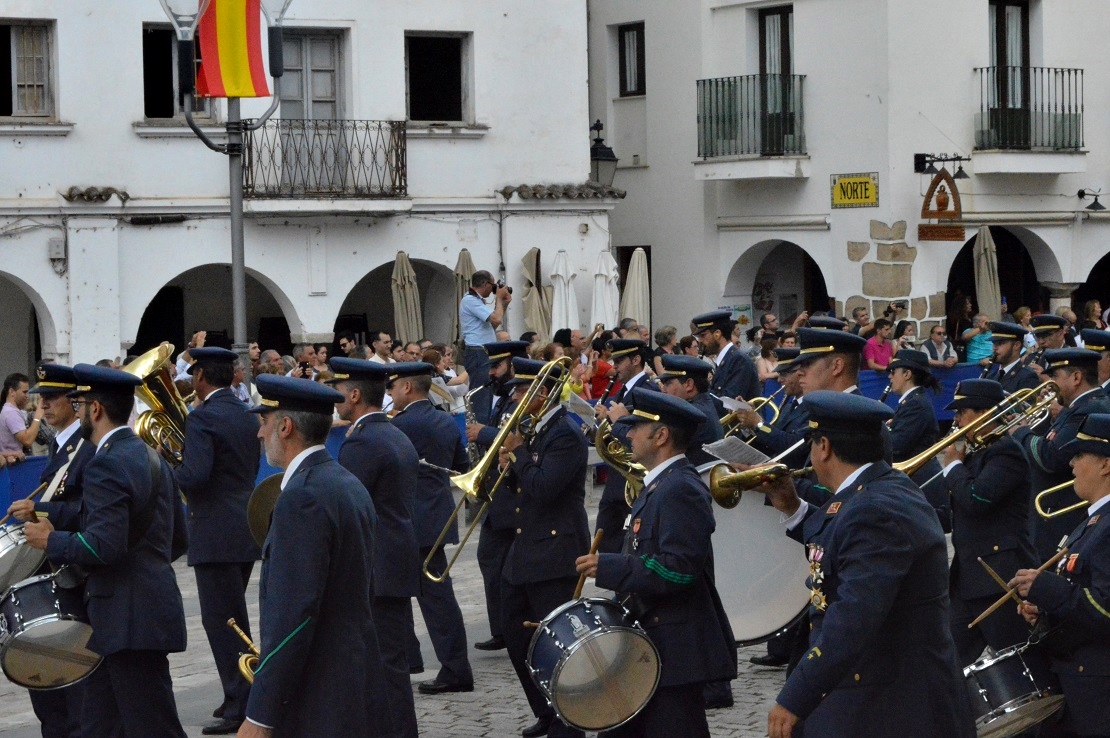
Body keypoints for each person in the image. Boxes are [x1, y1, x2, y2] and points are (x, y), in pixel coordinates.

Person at [756, 391, 973, 737]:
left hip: (888, 705)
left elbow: (852, 618)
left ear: (823, 446)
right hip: (882, 693)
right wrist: (792, 506)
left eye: (812, 443)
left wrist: (795, 697)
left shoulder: (875, 509)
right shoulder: (879, 491)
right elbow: (841, 545)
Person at [22, 364, 188, 738]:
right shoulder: (151, 455)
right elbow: (180, 539)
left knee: (153, 726)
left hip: (127, 616)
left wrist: (51, 541)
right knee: (98, 724)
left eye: (80, 404)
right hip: (138, 611)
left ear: (95, 409)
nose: (77, 412)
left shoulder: (106, 463)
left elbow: (103, 546)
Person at [575, 390, 737, 738]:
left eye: (637, 427)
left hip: (675, 650)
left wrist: (612, 567)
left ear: (661, 436)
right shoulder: (660, 485)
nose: (628, 434)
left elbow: (678, 570)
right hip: (652, 645)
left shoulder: (680, 488)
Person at [239, 374, 394, 738]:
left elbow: (294, 614)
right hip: (352, 676)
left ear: (286, 426)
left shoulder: (301, 497)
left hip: (318, 690)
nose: (260, 434)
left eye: (264, 422)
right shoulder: (343, 481)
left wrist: (260, 715)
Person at [493, 358, 590, 738]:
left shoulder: (564, 433)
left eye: (522, 390)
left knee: (556, 644)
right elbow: (521, 488)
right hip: (524, 547)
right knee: (516, 637)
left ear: (542, 393)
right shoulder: (533, 430)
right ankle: (546, 710)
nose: (515, 397)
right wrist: (506, 465)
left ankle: (569, 720)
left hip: (554, 550)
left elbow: (546, 487)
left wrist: (517, 456)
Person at [328, 358, 422, 738]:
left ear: (354, 394)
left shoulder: (363, 441)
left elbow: (351, 510)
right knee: (391, 665)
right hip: (396, 560)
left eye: (338, 392)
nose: (335, 400)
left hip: (376, 566)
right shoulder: (394, 433)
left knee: (381, 669)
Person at [173, 347, 262, 735]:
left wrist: (164, 464)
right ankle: (237, 695)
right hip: (243, 522)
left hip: (214, 528)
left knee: (221, 621)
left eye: (193, 375)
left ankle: (241, 703)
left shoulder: (203, 418)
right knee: (232, 617)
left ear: (202, 377)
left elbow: (194, 476)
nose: (192, 382)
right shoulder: (244, 412)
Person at [1010, 412, 1110, 737]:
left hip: (1097, 687)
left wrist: (1047, 589)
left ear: (1105, 464)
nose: (1071, 464)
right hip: (1074, 678)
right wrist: (1043, 609)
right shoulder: (1091, 522)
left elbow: (1105, 609)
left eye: (1080, 455)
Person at [9, 365, 95, 738]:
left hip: (73, 572)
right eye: (41, 397)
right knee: (46, 690)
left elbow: (88, 511)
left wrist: (39, 510)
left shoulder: (87, 449)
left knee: (71, 690)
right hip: (52, 569)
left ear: (77, 403)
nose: (42, 404)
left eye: (52, 397)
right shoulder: (62, 445)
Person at [388, 362, 475, 694]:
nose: (391, 394)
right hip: (437, 516)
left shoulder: (399, 426)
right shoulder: (443, 419)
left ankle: (446, 669)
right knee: (439, 598)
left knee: (394, 595)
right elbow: (460, 467)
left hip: (406, 520)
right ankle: (451, 665)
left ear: (408, 387)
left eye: (393, 387)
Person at [940, 379, 1038, 666]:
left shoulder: (1005, 451)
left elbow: (976, 499)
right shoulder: (978, 453)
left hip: (999, 577)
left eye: (962, 411)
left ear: (985, 413)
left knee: (1020, 662)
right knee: (946, 664)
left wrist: (953, 466)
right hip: (969, 578)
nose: (956, 420)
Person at [465, 340, 532, 652]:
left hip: (513, 495)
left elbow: (522, 434)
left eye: (497, 366)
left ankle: (511, 627)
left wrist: (484, 433)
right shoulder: (498, 396)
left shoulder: (527, 396)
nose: (491, 373)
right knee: (491, 560)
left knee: (503, 563)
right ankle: (503, 628)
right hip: (497, 492)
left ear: (514, 365)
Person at [1012, 348, 1110, 560]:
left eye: (1055, 376)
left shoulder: (1088, 408)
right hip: (1052, 511)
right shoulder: (1077, 407)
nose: (1050, 382)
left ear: (1076, 377)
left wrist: (1020, 432)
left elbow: (1052, 457)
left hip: (1064, 512)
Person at [594, 339, 660, 554]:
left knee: (628, 546)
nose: (615, 367)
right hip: (618, 478)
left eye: (620, 361)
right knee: (607, 544)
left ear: (636, 359)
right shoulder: (622, 391)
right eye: (614, 361)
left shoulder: (647, 390)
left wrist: (614, 421)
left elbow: (644, 435)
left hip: (633, 478)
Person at [885, 349, 945, 512]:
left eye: (893, 371)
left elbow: (897, 447)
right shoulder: (911, 401)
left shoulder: (915, 404)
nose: (890, 376)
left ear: (907, 374)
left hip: (921, 482)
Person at [657, 354, 724, 467]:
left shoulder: (690, 414)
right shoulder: (704, 404)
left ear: (689, 384)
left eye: (667, 383)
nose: (663, 389)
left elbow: (656, 449)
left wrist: (620, 423)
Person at [692, 309, 759, 404]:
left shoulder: (738, 360)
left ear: (717, 334)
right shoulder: (727, 359)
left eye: (702, 336)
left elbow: (730, 403)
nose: (700, 341)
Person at [460, 270, 513, 388]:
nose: (494, 289)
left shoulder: (477, 301)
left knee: (488, 389)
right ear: (485, 284)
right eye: (493, 285)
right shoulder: (470, 300)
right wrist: (498, 298)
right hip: (477, 351)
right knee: (482, 391)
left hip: (482, 351)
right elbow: (497, 319)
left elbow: (492, 326)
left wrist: (504, 304)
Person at [982, 321, 1041, 393]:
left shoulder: (1027, 376)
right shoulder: (991, 376)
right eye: (994, 344)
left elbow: (1027, 404)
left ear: (1016, 345)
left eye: (1000, 343)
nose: (995, 348)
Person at [1, 372, 40, 458]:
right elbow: (27, 440)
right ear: (12, 392)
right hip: (14, 466)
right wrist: (38, 415)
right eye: (24, 392)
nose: (27, 396)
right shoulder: (11, 412)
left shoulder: (12, 411)